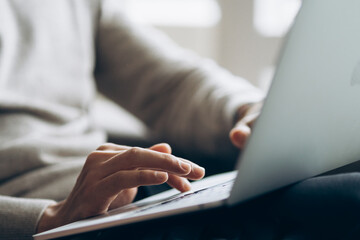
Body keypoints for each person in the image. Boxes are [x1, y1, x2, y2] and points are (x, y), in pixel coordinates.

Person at [0, 1, 263, 239]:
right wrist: (45, 219)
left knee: (295, 197)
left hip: (119, 200)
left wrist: (245, 110)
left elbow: (170, 84)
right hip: (46, 218)